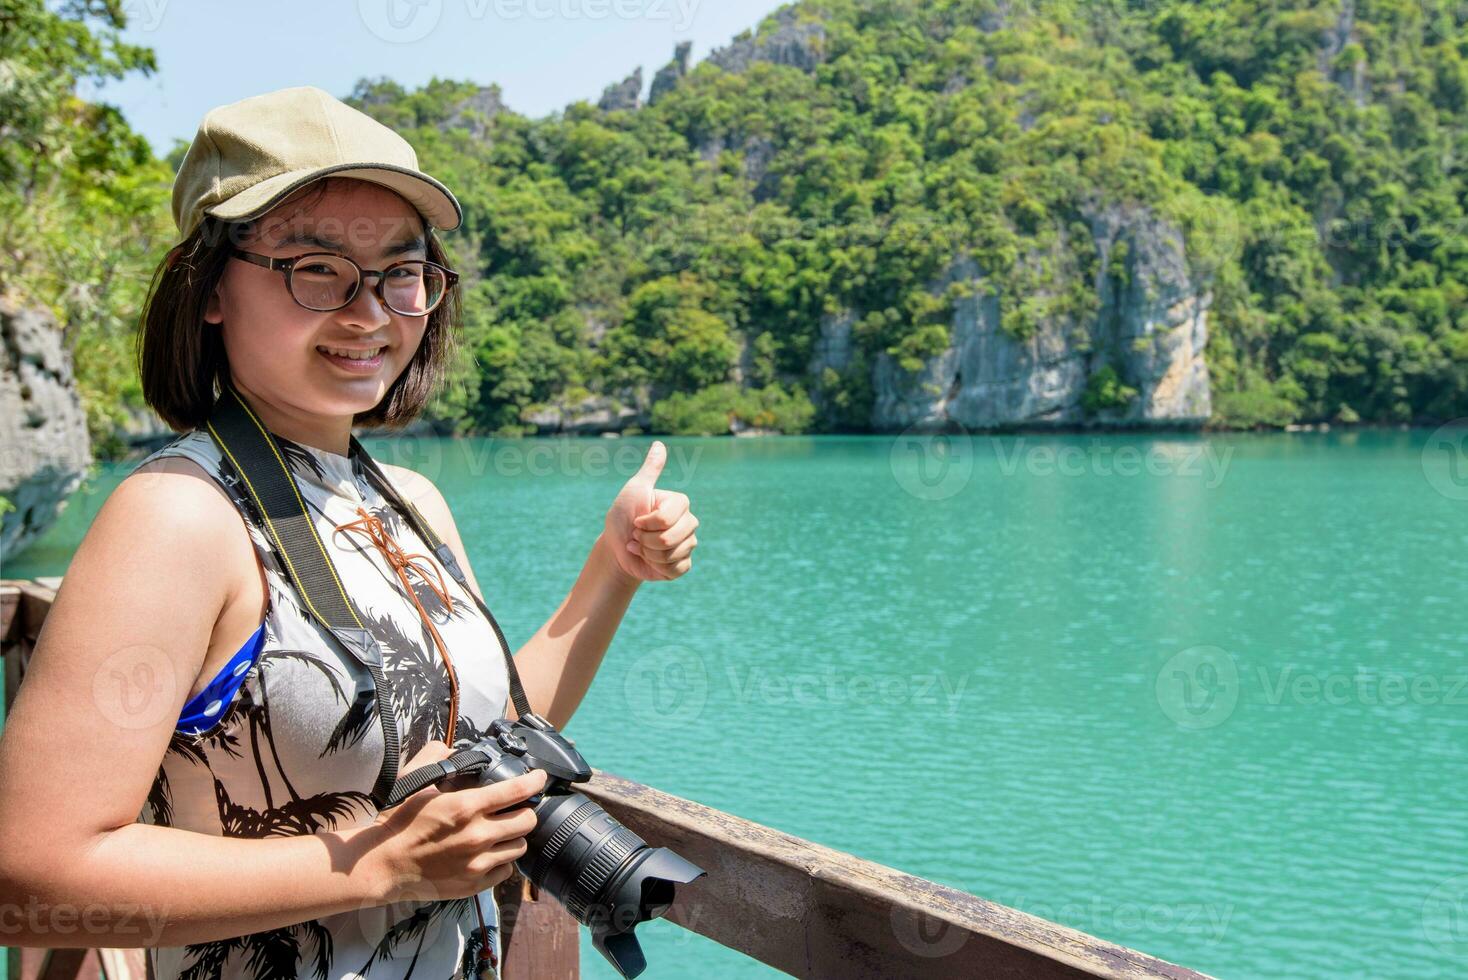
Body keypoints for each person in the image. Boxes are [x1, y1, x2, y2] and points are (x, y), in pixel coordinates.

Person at [0, 85, 700, 979]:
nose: (368, 313)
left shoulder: (404, 498)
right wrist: (377, 863)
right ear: (210, 288)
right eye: (316, 268)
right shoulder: (179, 516)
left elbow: (481, 730)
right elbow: (33, 868)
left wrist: (614, 569)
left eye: (399, 272)